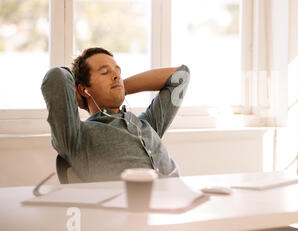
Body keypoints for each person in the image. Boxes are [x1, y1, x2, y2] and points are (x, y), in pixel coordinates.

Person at [41, 47, 189, 182]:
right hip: (136, 207)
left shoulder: (147, 124)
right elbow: (56, 77)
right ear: (83, 90)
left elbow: (181, 76)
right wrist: (82, 96)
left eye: (118, 71)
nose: (116, 76)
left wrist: (119, 87)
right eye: (105, 72)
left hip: (179, 200)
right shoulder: (76, 136)